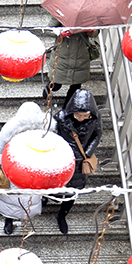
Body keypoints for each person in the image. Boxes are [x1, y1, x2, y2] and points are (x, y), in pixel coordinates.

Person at [0, 102, 54, 234]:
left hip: (34, 173)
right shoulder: (9, 131)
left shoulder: (43, 135)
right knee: (10, 199)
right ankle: (8, 220)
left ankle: (24, 216)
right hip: (11, 173)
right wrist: (12, 166)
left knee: (30, 198)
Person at [54, 88, 102, 234]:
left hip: (80, 162)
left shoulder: (94, 119)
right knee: (53, 183)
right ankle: (48, 199)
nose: (81, 118)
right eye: (78, 115)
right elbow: (51, 134)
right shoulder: (61, 118)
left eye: (84, 115)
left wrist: (87, 153)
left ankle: (62, 215)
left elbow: (97, 135)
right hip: (60, 158)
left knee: (74, 190)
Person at [42, 25, 97, 105]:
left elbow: (95, 33)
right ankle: (46, 93)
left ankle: (67, 108)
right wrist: (61, 32)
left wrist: (91, 31)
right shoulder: (62, 13)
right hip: (62, 55)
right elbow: (49, 30)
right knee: (56, 83)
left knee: (76, 85)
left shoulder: (88, 16)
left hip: (80, 55)